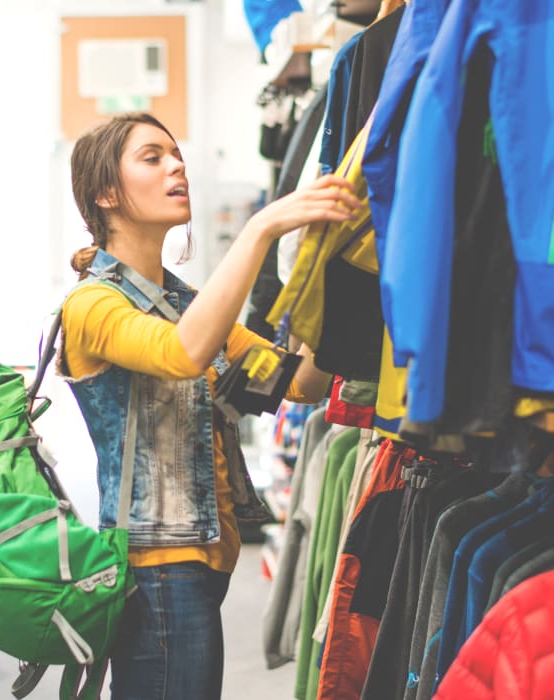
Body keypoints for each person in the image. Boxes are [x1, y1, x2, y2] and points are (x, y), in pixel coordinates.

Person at [58, 112, 360, 699]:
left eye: (177, 156)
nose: (177, 167)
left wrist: (328, 280)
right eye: (152, 157)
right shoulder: (92, 305)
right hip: (156, 569)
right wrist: (260, 230)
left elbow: (297, 383)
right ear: (105, 193)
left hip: (203, 561)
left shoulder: (182, 301)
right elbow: (181, 354)